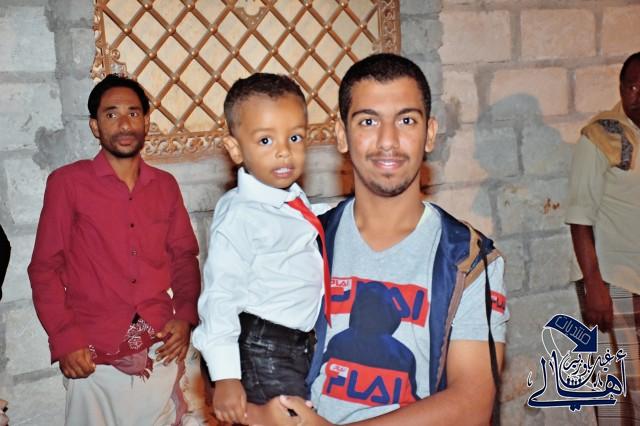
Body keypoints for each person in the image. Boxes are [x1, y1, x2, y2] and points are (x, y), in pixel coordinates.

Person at [254, 53, 509, 425]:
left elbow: (472, 405)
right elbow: (245, 362)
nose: (388, 141)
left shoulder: (467, 259)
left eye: (406, 120)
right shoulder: (302, 243)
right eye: (368, 121)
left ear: (430, 134)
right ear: (341, 135)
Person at [27, 74, 201, 425]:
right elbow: (45, 268)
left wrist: (185, 316)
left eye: (133, 113)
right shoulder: (68, 184)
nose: (124, 124)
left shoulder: (165, 186)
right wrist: (65, 338)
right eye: (111, 114)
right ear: (95, 126)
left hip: (159, 344)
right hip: (92, 355)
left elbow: (183, 258)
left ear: (146, 121)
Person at [191, 73, 329, 425]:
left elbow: (302, 227)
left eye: (295, 137)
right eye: (266, 140)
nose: (284, 150)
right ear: (236, 149)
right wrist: (226, 376)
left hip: (296, 345)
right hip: (264, 349)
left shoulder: (289, 198)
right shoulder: (241, 214)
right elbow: (220, 296)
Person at [566, 51, 640, 424]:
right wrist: (594, 285)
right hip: (616, 282)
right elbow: (580, 218)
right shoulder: (601, 136)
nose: (636, 95)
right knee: (623, 392)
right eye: (631, 86)